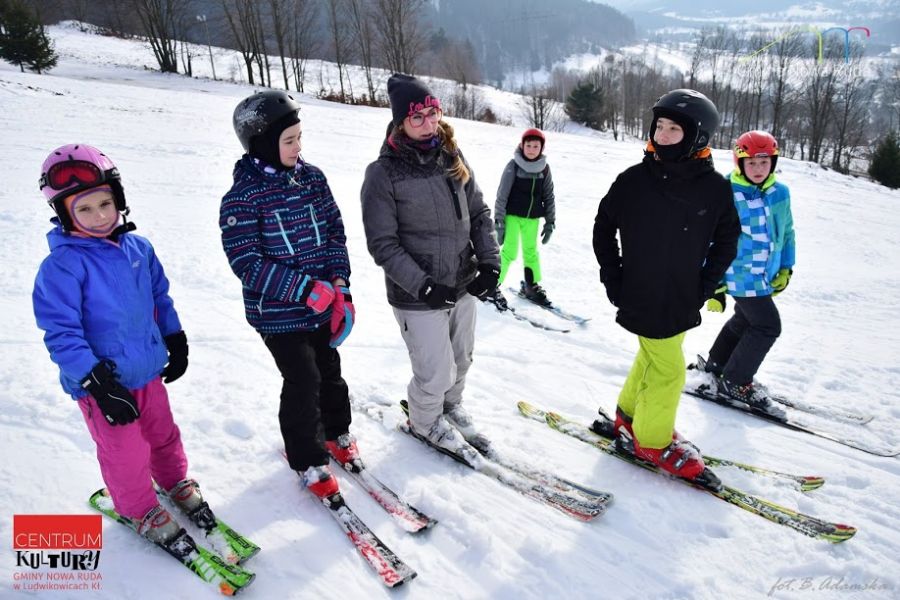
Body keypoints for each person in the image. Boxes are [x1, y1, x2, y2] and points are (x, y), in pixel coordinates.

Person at [33, 143, 212, 549]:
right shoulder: (62, 266)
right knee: (125, 452)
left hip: (146, 371)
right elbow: (61, 332)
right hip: (104, 385)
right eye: (84, 209)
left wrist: (174, 338)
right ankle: (139, 508)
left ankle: (173, 480)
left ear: (119, 199)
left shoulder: (139, 249)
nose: (99, 215)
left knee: (163, 434)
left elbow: (159, 298)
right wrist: (96, 382)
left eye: (105, 203)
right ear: (64, 213)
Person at [592, 90, 740, 480]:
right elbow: (603, 228)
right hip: (640, 293)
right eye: (659, 126)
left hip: (681, 296)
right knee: (670, 370)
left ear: (698, 137)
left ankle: (629, 417)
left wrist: (705, 285)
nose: (663, 134)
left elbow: (727, 240)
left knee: (654, 356)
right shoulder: (634, 180)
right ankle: (652, 440)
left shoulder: (714, 189)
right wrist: (613, 277)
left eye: (675, 129)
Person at [220, 90, 356, 500]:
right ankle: (308, 459)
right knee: (303, 379)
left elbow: (334, 232)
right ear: (263, 143)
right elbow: (247, 262)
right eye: (288, 140)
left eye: (299, 137)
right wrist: (303, 289)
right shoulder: (242, 198)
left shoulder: (312, 179)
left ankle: (336, 432)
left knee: (329, 369)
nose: (298, 147)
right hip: (277, 314)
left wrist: (341, 286)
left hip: (322, 306)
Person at [360, 74, 500, 461]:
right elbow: (383, 244)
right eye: (417, 117)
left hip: (461, 281)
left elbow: (479, 213)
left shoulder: (452, 156)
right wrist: (422, 286)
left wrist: (490, 262)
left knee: (462, 359)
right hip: (417, 294)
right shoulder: (383, 173)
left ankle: (449, 408)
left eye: (432, 113)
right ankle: (425, 422)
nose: (428, 123)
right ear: (400, 122)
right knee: (436, 370)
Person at [703, 131, 795, 412]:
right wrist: (714, 283)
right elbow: (710, 238)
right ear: (739, 162)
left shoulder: (780, 193)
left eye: (764, 162)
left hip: (764, 273)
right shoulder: (727, 192)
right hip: (739, 273)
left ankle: (717, 365)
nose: (758, 169)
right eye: (751, 163)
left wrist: (786, 267)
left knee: (744, 319)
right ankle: (736, 381)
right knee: (768, 326)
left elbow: (787, 232)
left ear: (773, 162)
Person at [493, 128, 556, 309]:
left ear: (541, 148)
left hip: (532, 219)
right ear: (522, 145)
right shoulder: (513, 166)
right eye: (528, 145)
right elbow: (502, 195)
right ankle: (493, 285)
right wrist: (499, 221)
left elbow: (549, 196)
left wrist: (550, 222)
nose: (531, 149)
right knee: (509, 251)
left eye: (536, 146)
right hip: (512, 216)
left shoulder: (544, 169)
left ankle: (531, 285)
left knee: (531, 252)